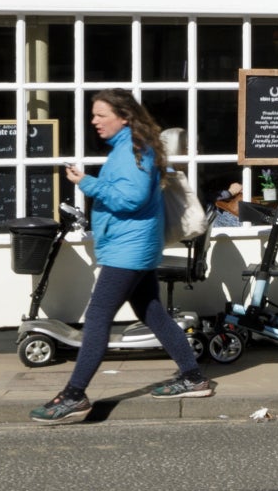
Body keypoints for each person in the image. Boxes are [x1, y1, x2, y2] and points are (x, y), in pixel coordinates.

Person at [31, 91, 210, 422]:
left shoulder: (133, 150)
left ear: (125, 116)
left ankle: (74, 395)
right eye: (94, 115)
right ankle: (193, 377)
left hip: (129, 249)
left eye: (101, 115)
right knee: (152, 313)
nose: (94, 121)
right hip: (131, 246)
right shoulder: (131, 148)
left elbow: (132, 199)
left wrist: (88, 183)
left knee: (97, 317)